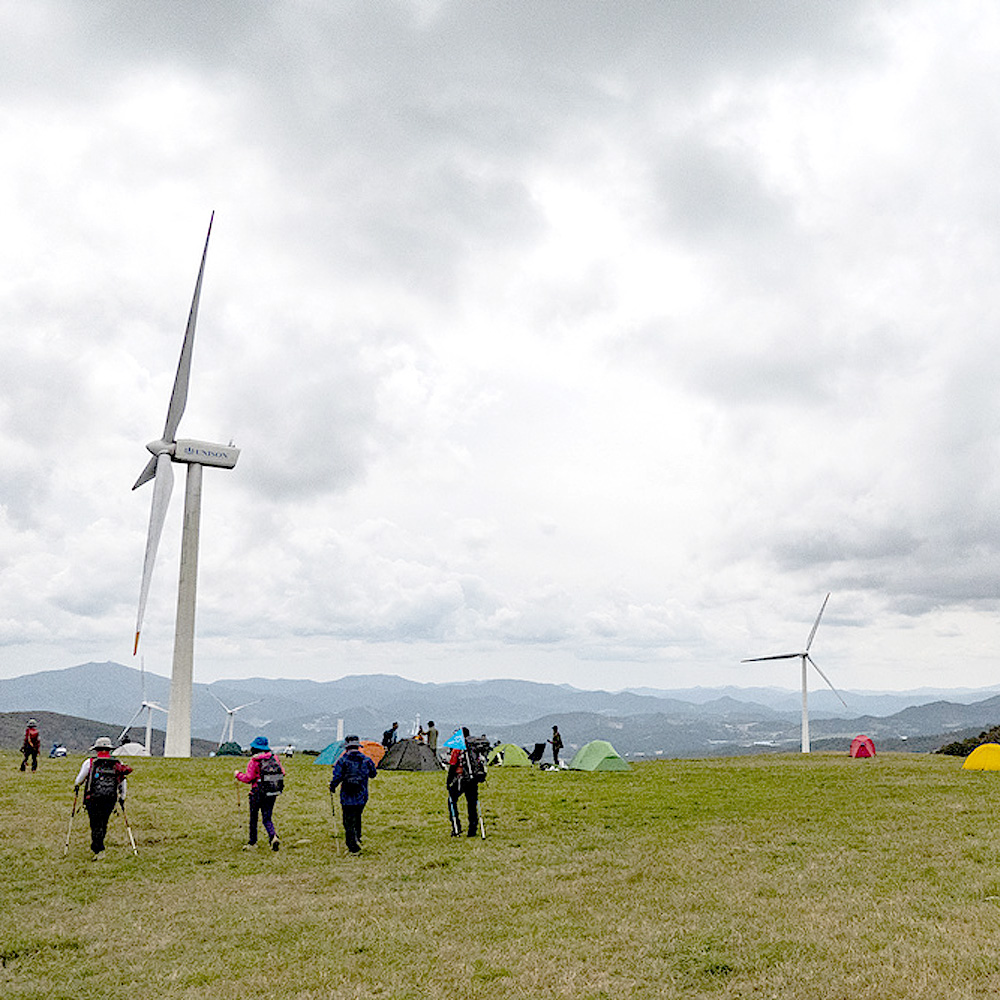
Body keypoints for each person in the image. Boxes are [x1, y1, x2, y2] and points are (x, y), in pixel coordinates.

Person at [73, 737, 132, 857]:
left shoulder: (90, 762)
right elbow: (122, 781)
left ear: (96, 749)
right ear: (109, 750)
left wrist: (77, 786)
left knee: (95, 822)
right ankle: (99, 846)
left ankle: (98, 848)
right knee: (103, 822)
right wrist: (122, 796)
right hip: (110, 798)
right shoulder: (116, 763)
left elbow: (79, 780)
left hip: (92, 797)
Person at [235, 735, 285, 851]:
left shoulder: (254, 761)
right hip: (272, 791)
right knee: (267, 817)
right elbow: (282, 773)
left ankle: (253, 843)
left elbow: (249, 778)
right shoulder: (274, 758)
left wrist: (238, 775)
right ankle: (273, 836)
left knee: (254, 817)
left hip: (257, 792)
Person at [329, 735, 377, 854]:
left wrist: (332, 786)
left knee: (348, 820)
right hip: (362, 794)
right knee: (357, 815)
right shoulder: (366, 760)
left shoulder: (342, 760)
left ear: (346, 747)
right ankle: (357, 837)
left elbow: (337, 776)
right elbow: (373, 774)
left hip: (347, 794)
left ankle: (352, 846)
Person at [447, 727, 484, 838]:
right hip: (473, 779)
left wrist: (448, 781)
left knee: (452, 801)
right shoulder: (474, 747)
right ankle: (472, 829)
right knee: (472, 804)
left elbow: (453, 765)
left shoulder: (458, 748)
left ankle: (456, 827)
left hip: (460, 779)